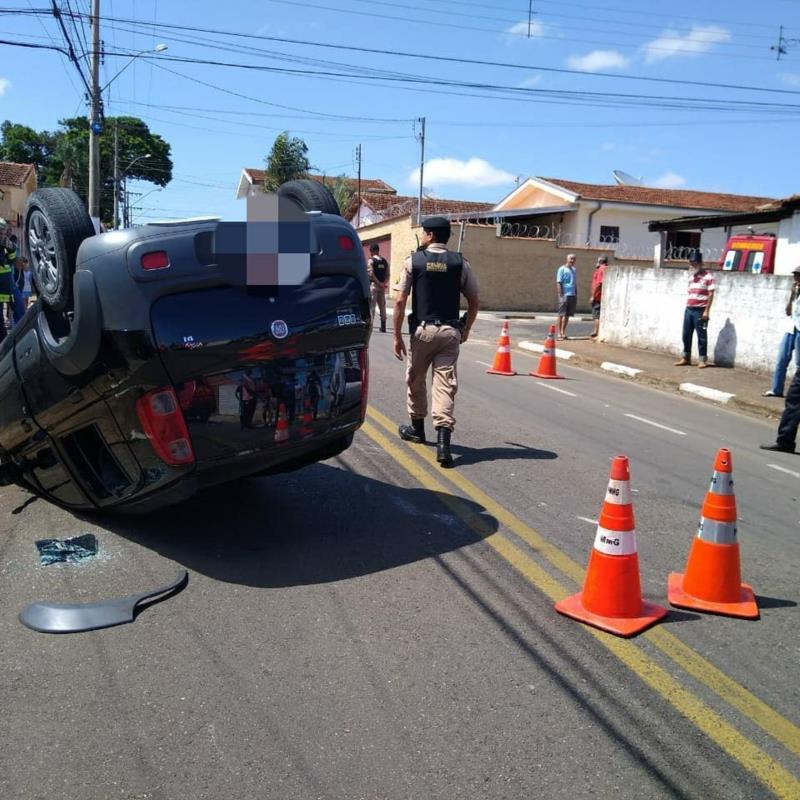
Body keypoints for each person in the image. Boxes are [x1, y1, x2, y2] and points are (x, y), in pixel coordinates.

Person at [393, 215, 480, 467]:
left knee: (415, 378)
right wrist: (467, 329)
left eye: (423, 233)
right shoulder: (460, 262)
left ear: (430, 235)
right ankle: (443, 444)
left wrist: (397, 335)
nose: (422, 236)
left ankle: (417, 430)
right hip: (450, 332)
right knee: (445, 385)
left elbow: (399, 301)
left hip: (422, 331)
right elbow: (474, 300)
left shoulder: (414, 260)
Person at [763, 266, 800, 397]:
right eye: (795, 276)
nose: (796, 278)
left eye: (798, 276)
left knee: (799, 364)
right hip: (791, 328)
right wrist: (792, 295)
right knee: (782, 358)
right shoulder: (795, 293)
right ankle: (776, 389)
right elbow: (788, 311)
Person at [675, 250, 714, 369]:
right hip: (689, 309)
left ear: (701, 263)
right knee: (686, 334)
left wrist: (707, 311)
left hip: (700, 310)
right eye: (691, 263)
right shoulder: (692, 277)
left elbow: (711, 294)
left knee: (701, 335)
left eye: (695, 263)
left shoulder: (708, 276)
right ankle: (686, 357)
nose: (692, 265)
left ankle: (702, 359)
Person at [367, 243, 389, 333]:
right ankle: (383, 326)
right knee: (382, 306)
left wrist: (378, 283)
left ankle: (370, 326)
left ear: (372, 251)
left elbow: (371, 274)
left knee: (372, 306)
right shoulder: (384, 261)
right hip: (382, 287)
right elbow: (388, 275)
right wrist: (383, 283)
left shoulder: (371, 261)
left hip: (374, 286)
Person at [556, 253, 577, 340]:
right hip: (564, 294)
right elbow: (558, 282)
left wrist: (575, 292)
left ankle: (563, 332)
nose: (572, 260)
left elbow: (574, 282)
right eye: (571, 259)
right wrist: (561, 294)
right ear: (567, 259)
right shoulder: (562, 269)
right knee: (561, 314)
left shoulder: (574, 270)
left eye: (574, 259)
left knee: (568, 315)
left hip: (572, 294)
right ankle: (559, 332)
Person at [590, 255, 608, 339]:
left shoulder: (601, 270)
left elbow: (599, 284)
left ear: (600, 261)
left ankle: (596, 332)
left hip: (598, 297)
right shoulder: (607, 268)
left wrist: (593, 296)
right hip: (604, 297)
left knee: (596, 315)